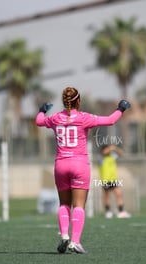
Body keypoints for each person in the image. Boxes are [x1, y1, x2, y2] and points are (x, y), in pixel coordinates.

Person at [36, 87, 130, 254]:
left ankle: (64, 235)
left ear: (64, 102)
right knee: (79, 205)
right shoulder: (84, 118)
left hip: (61, 165)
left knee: (64, 204)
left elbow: (39, 121)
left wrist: (42, 110)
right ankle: (75, 241)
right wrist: (121, 108)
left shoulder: (56, 118)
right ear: (78, 101)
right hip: (79, 164)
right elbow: (110, 120)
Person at [98, 144, 131, 219]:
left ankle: (121, 211)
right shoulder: (101, 158)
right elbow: (104, 153)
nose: (108, 150)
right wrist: (109, 149)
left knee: (119, 194)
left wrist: (115, 148)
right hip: (105, 180)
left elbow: (121, 154)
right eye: (106, 149)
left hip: (113, 180)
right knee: (106, 196)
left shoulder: (112, 156)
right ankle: (107, 212)